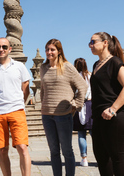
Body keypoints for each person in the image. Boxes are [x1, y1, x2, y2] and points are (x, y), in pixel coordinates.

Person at [0, 37, 32, 176]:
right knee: (2, 149)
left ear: (10, 49)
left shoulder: (20, 67)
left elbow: (26, 89)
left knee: (22, 147)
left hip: (17, 110)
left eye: (4, 47)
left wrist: (18, 103)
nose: (1, 49)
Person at [40, 39, 87, 176]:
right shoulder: (43, 68)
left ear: (59, 51)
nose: (49, 52)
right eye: (47, 49)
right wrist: (43, 104)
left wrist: (76, 104)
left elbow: (83, 86)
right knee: (53, 151)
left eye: (52, 49)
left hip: (64, 115)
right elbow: (43, 89)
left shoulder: (67, 67)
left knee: (67, 151)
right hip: (47, 115)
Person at [88, 32, 124, 176]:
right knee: (101, 157)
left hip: (116, 116)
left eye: (93, 42)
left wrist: (113, 109)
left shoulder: (114, 62)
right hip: (98, 116)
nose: (90, 45)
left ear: (105, 43)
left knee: (117, 156)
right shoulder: (96, 64)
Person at [72, 57, 93, 167]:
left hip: (78, 105)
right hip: (90, 104)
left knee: (81, 134)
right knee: (94, 133)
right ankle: (99, 156)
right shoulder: (90, 75)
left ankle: (84, 158)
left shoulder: (74, 77)